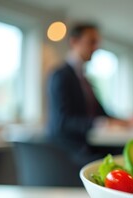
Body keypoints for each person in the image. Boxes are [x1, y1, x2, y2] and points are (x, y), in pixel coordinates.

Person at [46, 23, 126, 167]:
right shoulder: (61, 75)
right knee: (117, 162)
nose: (96, 47)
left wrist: (125, 121)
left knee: (124, 153)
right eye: (92, 42)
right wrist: (101, 123)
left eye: (97, 42)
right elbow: (62, 121)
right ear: (74, 42)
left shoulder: (84, 78)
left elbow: (100, 112)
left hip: (86, 145)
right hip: (69, 151)